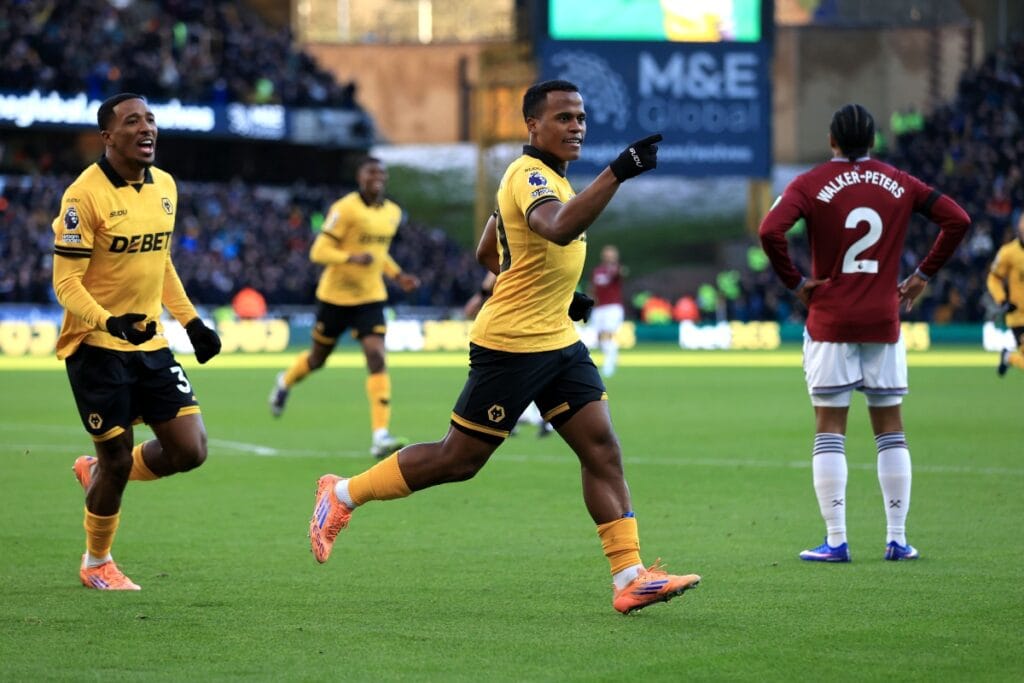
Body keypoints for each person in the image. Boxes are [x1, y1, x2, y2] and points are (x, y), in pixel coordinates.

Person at [308, 79, 701, 615]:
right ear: (532, 126)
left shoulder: (553, 180)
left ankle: (629, 577)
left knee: (601, 448)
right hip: (512, 345)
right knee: (458, 459)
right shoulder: (529, 174)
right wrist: (619, 171)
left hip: (559, 341)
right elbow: (556, 229)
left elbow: (487, 249)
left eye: (580, 117)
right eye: (563, 117)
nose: (576, 125)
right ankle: (342, 493)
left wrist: (561, 290)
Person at [759, 103, 970, 563]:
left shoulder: (810, 184)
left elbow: (770, 230)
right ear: (872, 140)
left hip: (830, 320)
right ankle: (897, 538)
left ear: (833, 140)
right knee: (890, 429)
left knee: (829, 428)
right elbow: (958, 220)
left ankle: (836, 541)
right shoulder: (900, 182)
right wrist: (923, 275)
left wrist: (796, 283)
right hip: (883, 318)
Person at [52, 93, 222, 590]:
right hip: (95, 347)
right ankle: (96, 563)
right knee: (118, 459)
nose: (146, 128)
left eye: (150, 119)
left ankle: (97, 473)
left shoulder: (165, 187)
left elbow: (160, 261)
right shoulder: (83, 196)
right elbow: (65, 284)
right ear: (108, 137)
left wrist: (192, 323)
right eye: (131, 122)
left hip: (149, 344)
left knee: (190, 450)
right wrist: (109, 322)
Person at [269, 157, 420, 459]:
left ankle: (380, 435)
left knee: (376, 356)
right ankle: (284, 381)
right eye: (370, 172)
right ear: (359, 177)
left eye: (381, 172)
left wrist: (397, 274)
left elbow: (379, 254)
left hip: (370, 297)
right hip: (335, 298)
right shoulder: (344, 208)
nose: (376, 177)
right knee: (317, 358)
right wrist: (351, 258)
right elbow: (318, 250)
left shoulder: (393, 213)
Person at [463, 220, 554, 438]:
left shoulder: (517, 224)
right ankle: (530, 417)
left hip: (521, 315)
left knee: (522, 367)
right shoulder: (534, 223)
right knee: (531, 367)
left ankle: (524, 416)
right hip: (537, 312)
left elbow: (493, 260)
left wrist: (481, 296)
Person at [988, 210, 1024, 376]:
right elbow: (993, 278)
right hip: (1019, 316)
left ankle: (1008, 357)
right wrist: (1002, 300)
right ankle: (1009, 357)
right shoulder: (1008, 252)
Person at [588, 244, 628, 377]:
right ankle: (613, 355)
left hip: (612, 307)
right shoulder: (597, 271)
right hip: (599, 308)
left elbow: (620, 274)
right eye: (607, 254)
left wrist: (614, 265)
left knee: (607, 334)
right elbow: (593, 289)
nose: (608, 256)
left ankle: (609, 366)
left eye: (611, 254)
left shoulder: (616, 269)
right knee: (599, 338)